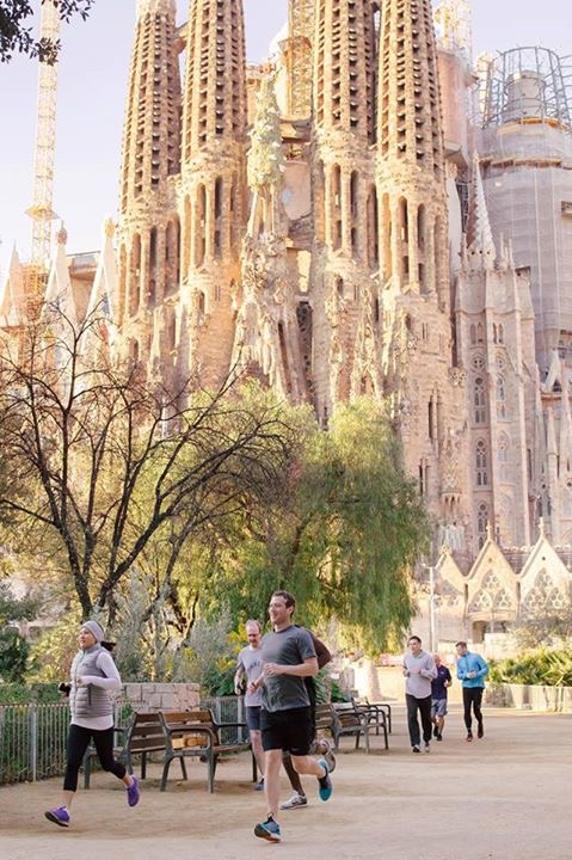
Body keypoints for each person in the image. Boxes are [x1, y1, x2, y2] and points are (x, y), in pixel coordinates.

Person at [250, 591, 334, 843]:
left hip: (296, 708)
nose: (272, 609)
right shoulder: (267, 640)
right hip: (270, 709)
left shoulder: (300, 635)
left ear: (290, 609)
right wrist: (257, 682)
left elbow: (313, 667)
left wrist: (283, 669)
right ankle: (271, 821)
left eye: (278, 605)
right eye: (270, 605)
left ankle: (321, 771)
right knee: (272, 761)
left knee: (299, 764)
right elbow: (269, 668)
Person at [45, 619, 139, 828]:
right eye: (80, 632)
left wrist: (90, 680)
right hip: (78, 719)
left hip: (100, 720)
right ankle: (65, 810)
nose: (82, 636)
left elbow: (116, 683)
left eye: (87, 633)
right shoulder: (78, 657)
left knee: (107, 763)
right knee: (72, 763)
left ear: (96, 637)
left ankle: (130, 782)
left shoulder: (102, 656)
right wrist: (69, 689)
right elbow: (80, 685)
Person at [280, 631, 336, 811]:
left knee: (304, 746)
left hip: (303, 696)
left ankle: (322, 749)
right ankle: (298, 793)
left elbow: (325, 655)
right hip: (281, 697)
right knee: (284, 747)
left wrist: (304, 672)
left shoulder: (302, 634)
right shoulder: (272, 639)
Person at [234, 619, 265, 790]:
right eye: (249, 635)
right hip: (251, 701)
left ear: (260, 633)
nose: (252, 638)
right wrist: (237, 682)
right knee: (255, 737)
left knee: (270, 739)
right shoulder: (244, 653)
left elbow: (270, 670)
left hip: (267, 701)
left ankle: (272, 774)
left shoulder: (267, 651)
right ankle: (265, 776)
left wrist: (257, 682)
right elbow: (239, 672)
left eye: (254, 635)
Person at [403, 635, 437, 754]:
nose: (412, 646)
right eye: (410, 644)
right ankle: (415, 743)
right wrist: (405, 672)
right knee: (412, 716)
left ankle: (427, 740)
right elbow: (404, 669)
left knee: (426, 718)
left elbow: (434, 674)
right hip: (410, 691)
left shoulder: (428, 658)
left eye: (415, 644)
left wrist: (423, 672)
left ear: (420, 645)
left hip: (425, 692)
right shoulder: (407, 657)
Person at [456, 641, 489, 741]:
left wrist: (477, 674)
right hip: (466, 686)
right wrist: (465, 675)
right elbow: (458, 675)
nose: (458, 652)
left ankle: (480, 723)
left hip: (477, 686)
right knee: (466, 709)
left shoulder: (476, 657)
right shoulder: (459, 661)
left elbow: (485, 668)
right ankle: (469, 732)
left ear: (464, 648)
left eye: (459, 650)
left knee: (476, 709)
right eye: (457, 650)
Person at [431, 654, 452, 741]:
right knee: (431, 716)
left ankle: (439, 734)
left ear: (439, 660)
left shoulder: (445, 670)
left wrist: (448, 684)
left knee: (440, 715)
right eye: (433, 661)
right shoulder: (430, 670)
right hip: (432, 696)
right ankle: (436, 725)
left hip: (442, 696)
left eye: (436, 660)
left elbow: (450, 681)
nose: (435, 662)